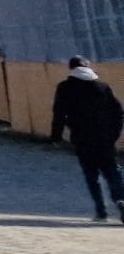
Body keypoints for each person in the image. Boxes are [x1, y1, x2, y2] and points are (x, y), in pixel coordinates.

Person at [51, 56, 124, 222]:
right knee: (112, 172)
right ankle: (120, 199)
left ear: (71, 68)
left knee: (92, 176)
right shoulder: (102, 87)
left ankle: (101, 211)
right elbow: (118, 113)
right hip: (105, 139)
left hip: (82, 139)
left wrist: (55, 137)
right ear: (88, 66)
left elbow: (59, 114)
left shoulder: (65, 87)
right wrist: (114, 134)